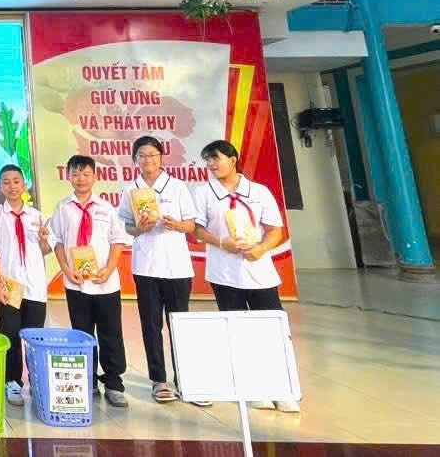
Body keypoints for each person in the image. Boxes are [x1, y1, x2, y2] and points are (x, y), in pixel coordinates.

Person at [192, 139, 299, 413]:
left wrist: (261, 248)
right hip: (225, 273)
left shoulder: (259, 192)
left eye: (216, 158)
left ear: (233, 159)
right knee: (238, 331)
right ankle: (254, 388)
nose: (212, 164)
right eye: (208, 160)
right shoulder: (204, 193)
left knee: (271, 329)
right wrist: (221, 242)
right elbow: (197, 230)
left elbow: (275, 230)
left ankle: (282, 388)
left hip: (259, 271)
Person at [118, 136, 197, 404]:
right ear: (134, 160)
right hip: (146, 266)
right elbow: (126, 227)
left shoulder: (177, 186)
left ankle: (186, 379)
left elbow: (191, 224)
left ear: (161, 157)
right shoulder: (130, 190)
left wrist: (177, 225)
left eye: (152, 155)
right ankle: (159, 380)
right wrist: (140, 228)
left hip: (177, 267)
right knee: (151, 324)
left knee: (180, 323)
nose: (147, 160)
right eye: (141, 155)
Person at [49, 154, 130, 408]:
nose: (80, 179)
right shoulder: (62, 207)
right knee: (81, 332)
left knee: (110, 332)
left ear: (95, 176)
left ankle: (114, 383)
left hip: (105, 282)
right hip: (75, 283)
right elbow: (57, 241)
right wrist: (65, 269)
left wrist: (109, 269)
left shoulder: (106, 208)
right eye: (75, 173)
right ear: (68, 176)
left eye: (86, 174)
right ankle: (88, 379)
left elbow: (118, 240)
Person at [0, 164, 52, 406]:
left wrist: (44, 240)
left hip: (35, 285)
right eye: (6, 182)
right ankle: (13, 382)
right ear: (1, 186)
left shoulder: (37, 216)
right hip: (10, 285)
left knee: (34, 336)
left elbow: (46, 250)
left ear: (24, 185)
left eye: (16, 181)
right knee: (10, 334)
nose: (12, 186)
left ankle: (36, 380)